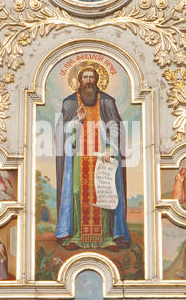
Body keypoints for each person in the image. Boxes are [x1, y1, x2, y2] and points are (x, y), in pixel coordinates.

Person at [53, 64, 130, 250]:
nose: (88, 81)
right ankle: (76, 235)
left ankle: (106, 237)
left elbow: (115, 127)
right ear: (79, 81)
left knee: (103, 192)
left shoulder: (106, 101)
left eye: (91, 77)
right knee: (77, 193)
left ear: (97, 80)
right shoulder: (70, 103)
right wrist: (77, 121)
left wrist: (110, 149)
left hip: (102, 157)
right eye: (85, 77)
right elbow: (61, 133)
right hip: (79, 158)